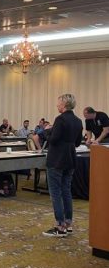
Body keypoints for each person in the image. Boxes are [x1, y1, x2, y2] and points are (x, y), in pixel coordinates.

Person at [42, 94, 83, 237]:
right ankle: (68, 223)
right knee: (66, 191)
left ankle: (59, 227)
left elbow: (53, 140)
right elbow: (77, 143)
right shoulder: (78, 121)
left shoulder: (60, 119)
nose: (57, 105)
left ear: (64, 104)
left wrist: (47, 130)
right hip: (70, 158)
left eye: (58, 103)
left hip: (57, 159)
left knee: (56, 193)